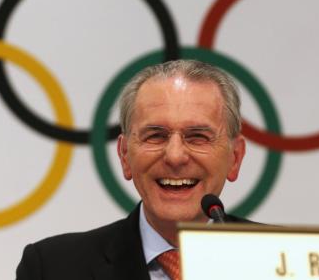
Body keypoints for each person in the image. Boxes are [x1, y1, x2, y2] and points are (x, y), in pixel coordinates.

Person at [16, 59, 252, 280]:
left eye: (198, 137)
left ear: (235, 157)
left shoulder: (280, 262)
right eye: (155, 136)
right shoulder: (51, 269)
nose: (175, 156)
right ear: (125, 155)